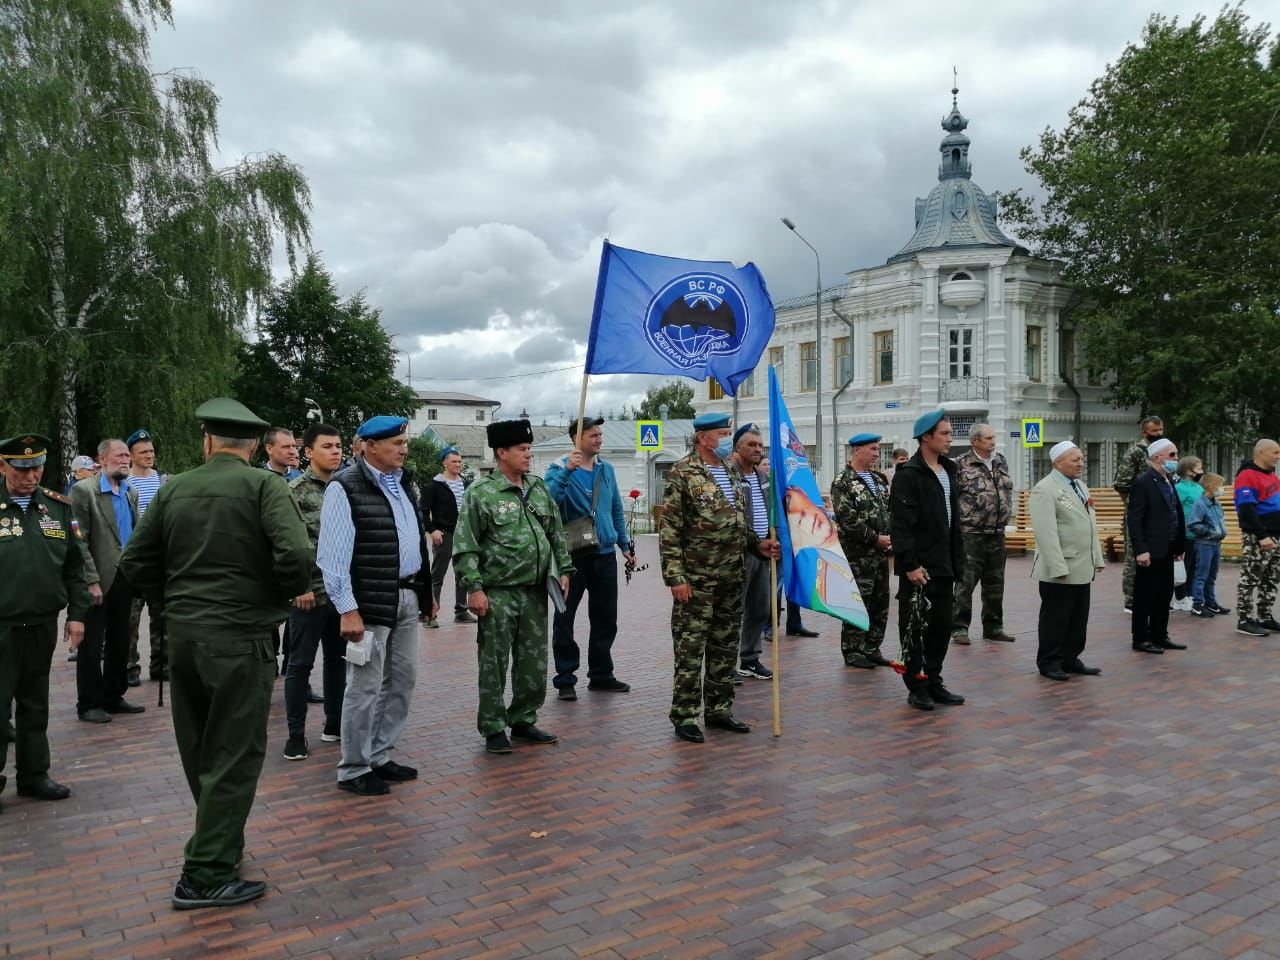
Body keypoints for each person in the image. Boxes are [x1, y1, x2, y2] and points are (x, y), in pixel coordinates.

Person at [118, 399, 312, 910]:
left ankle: (218, 844)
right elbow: (294, 554)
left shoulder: (175, 486)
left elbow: (135, 560)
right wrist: (280, 597)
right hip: (240, 638)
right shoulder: (264, 485)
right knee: (235, 752)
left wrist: (175, 601)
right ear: (252, 446)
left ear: (207, 441)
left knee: (201, 747)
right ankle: (204, 874)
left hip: (184, 636)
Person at [317, 416, 429, 794]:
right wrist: (347, 609)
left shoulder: (403, 483)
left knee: (402, 680)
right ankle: (353, 767)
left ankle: (379, 754)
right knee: (364, 687)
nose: (403, 448)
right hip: (368, 603)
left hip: (406, 596)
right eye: (396, 443)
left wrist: (426, 595)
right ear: (368, 445)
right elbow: (332, 557)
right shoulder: (344, 486)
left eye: (404, 442)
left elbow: (413, 540)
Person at [658, 413, 779, 743]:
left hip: (731, 576)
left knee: (725, 648)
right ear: (703, 438)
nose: (727, 439)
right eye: (723, 434)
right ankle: (684, 715)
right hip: (697, 580)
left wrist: (758, 545)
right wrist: (676, 577)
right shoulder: (683, 473)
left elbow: (738, 524)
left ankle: (718, 709)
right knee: (690, 650)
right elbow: (669, 531)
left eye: (728, 433)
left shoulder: (730, 471)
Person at [453, 419, 571, 755]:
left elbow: (556, 531)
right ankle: (492, 726)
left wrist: (564, 568)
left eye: (529, 448)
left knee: (533, 662)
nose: (528, 455)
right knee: (494, 662)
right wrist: (473, 588)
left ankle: (523, 719)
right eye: (522, 449)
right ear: (501, 452)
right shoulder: (481, 493)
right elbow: (466, 545)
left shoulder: (537, 487)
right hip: (498, 592)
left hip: (535, 592)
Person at [0, 434, 89, 812]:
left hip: (41, 623)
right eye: (21, 469)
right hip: (1, 625)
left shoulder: (56, 508)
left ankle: (34, 775)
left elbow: (75, 567)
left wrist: (78, 615)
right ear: (2, 466)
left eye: (36, 467)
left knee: (35, 703)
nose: (30, 475)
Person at [545, 416, 635, 699]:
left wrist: (624, 544)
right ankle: (565, 678)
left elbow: (617, 509)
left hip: (605, 554)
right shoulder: (559, 468)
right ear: (576, 438)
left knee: (606, 618)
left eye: (600, 434)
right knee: (565, 618)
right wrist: (566, 474)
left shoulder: (606, 469)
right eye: (593, 435)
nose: (599, 439)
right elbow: (548, 503)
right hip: (572, 556)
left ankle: (601, 674)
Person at [889, 409, 966, 712]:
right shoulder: (909, 475)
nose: (950, 439)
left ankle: (934, 679)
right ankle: (917, 686)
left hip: (944, 565)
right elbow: (901, 526)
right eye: (945, 434)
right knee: (916, 628)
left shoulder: (948, 471)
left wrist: (957, 562)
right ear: (926, 437)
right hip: (919, 569)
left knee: (941, 627)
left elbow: (953, 522)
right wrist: (909, 565)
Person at [281, 423, 347, 761]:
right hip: (309, 595)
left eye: (338, 446)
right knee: (300, 664)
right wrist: (299, 586)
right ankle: (295, 735)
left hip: (340, 594)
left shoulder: (346, 486)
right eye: (327, 446)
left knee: (338, 662)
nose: (335, 451)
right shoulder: (294, 490)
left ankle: (334, 724)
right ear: (308, 452)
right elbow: (290, 545)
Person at [69, 438, 144, 723]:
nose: (125, 460)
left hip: (124, 577)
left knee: (120, 639)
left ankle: (114, 695)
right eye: (120, 455)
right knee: (91, 642)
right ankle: (89, 703)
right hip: (97, 577)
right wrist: (90, 579)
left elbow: (135, 536)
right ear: (102, 458)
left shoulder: (130, 492)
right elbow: (79, 541)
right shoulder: (84, 491)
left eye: (127, 456)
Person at [1028, 442, 1106, 680]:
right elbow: (1046, 533)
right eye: (1075, 460)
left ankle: (1071, 658)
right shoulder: (1045, 489)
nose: (1081, 463)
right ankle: (1050, 661)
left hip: (1082, 565)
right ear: (1058, 462)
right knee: (1056, 617)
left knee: (1078, 617)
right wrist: (1057, 566)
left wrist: (1097, 556)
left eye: (1082, 459)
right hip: (1061, 567)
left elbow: (1090, 524)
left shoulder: (1080, 486)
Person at [830, 433, 892, 669]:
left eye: (878, 449)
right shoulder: (843, 481)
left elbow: (887, 511)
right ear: (856, 450)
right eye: (873, 449)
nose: (877, 453)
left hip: (880, 554)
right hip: (858, 555)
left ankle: (871, 647)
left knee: (880, 602)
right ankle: (853, 650)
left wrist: (889, 537)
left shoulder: (878, 480)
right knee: (858, 603)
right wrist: (875, 539)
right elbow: (848, 519)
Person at [951, 423, 1015, 644]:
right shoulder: (960, 464)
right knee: (965, 583)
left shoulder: (1000, 461)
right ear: (974, 441)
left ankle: (993, 627)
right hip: (971, 534)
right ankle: (959, 628)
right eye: (988, 438)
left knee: (995, 583)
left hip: (997, 532)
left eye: (993, 437)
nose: (993, 441)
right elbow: (952, 498)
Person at [1126, 438, 1187, 654]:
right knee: (1145, 596)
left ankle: (1160, 634)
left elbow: (1175, 513)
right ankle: (1141, 638)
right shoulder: (1144, 482)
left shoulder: (1168, 480)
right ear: (1157, 457)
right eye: (1172, 455)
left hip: (1168, 547)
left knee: (1163, 594)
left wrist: (1179, 545)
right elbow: (1134, 519)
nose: (1175, 459)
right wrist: (1141, 549)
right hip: (1151, 549)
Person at [725, 423, 773, 681]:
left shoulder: (763, 478)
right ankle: (726, 664)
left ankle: (750, 658)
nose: (757, 449)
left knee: (760, 608)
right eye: (751, 445)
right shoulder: (728, 476)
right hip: (737, 553)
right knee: (733, 610)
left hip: (762, 552)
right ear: (738, 448)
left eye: (759, 445)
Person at [125, 428, 166, 685]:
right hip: (137, 557)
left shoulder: (163, 481)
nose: (149, 455)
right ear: (131, 455)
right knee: (130, 618)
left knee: (162, 616)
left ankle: (162, 665)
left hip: (160, 557)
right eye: (143, 452)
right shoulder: (126, 483)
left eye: (151, 451)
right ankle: (130, 667)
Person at [1113, 415, 1164, 612]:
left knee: (1156, 555)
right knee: (1135, 556)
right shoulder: (1136, 452)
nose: (1158, 435)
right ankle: (1131, 599)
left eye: (1160, 431)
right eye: (1154, 431)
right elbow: (1122, 483)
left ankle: (1152, 595)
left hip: (1158, 516)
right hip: (1139, 514)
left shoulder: (1162, 452)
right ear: (1144, 432)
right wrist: (1134, 505)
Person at [1233, 439, 1280, 637]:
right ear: (1261, 452)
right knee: (1250, 577)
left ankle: (1265, 616)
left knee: (1271, 578)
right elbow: (1246, 509)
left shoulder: (1273, 478)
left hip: (1276, 535)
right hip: (1259, 536)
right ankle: (1244, 619)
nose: (1278, 456)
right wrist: (1262, 535)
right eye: (1275, 452)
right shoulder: (1247, 476)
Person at [422, 446, 472, 627]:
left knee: (463, 573)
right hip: (444, 535)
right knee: (437, 576)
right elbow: (423, 511)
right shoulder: (434, 486)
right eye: (454, 461)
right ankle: (431, 614)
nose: (458, 464)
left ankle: (461, 610)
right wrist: (432, 529)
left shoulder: (465, 483)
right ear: (444, 463)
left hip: (464, 535)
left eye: (459, 461)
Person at [1187, 472, 1229, 619]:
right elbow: (1193, 523)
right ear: (1210, 487)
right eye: (1220, 485)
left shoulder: (1216, 503)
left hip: (1216, 544)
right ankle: (1197, 605)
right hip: (1205, 544)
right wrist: (1208, 532)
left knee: (1211, 575)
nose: (1221, 488)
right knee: (1201, 575)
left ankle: (1210, 602)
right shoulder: (1200, 504)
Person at [1172, 455, 1204, 611]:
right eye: (1199, 469)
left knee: (1193, 566)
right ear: (1189, 471)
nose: (1201, 471)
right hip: (1186, 533)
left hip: (1199, 533)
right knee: (1183, 566)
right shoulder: (1179, 488)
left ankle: (1189, 594)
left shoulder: (1199, 487)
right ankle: (1180, 597)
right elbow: (1176, 510)